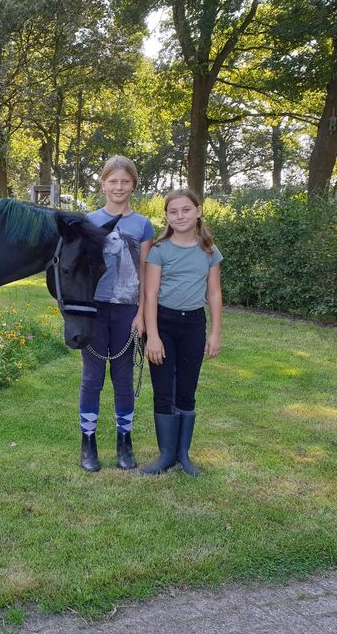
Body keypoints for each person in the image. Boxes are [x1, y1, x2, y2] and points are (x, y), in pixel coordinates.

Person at [78, 156, 155, 472]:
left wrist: (142, 314)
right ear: (103, 183)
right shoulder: (88, 221)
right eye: (113, 181)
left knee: (123, 378)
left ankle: (125, 443)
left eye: (125, 181)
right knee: (92, 377)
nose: (119, 187)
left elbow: (146, 273)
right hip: (95, 308)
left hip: (127, 310)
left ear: (134, 184)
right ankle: (88, 444)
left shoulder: (143, 225)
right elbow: (78, 271)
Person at [140, 189, 223, 476]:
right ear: (166, 216)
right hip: (163, 323)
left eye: (186, 210)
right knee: (164, 391)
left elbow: (214, 294)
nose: (180, 216)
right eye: (173, 212)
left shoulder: (209, 251)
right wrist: (153, 336)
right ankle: (165, 456)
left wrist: (214, 333)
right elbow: (150, 295)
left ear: (198, 211)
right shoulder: (159, 251)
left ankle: (183, 456)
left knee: (186, 391)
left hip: (193, 326)